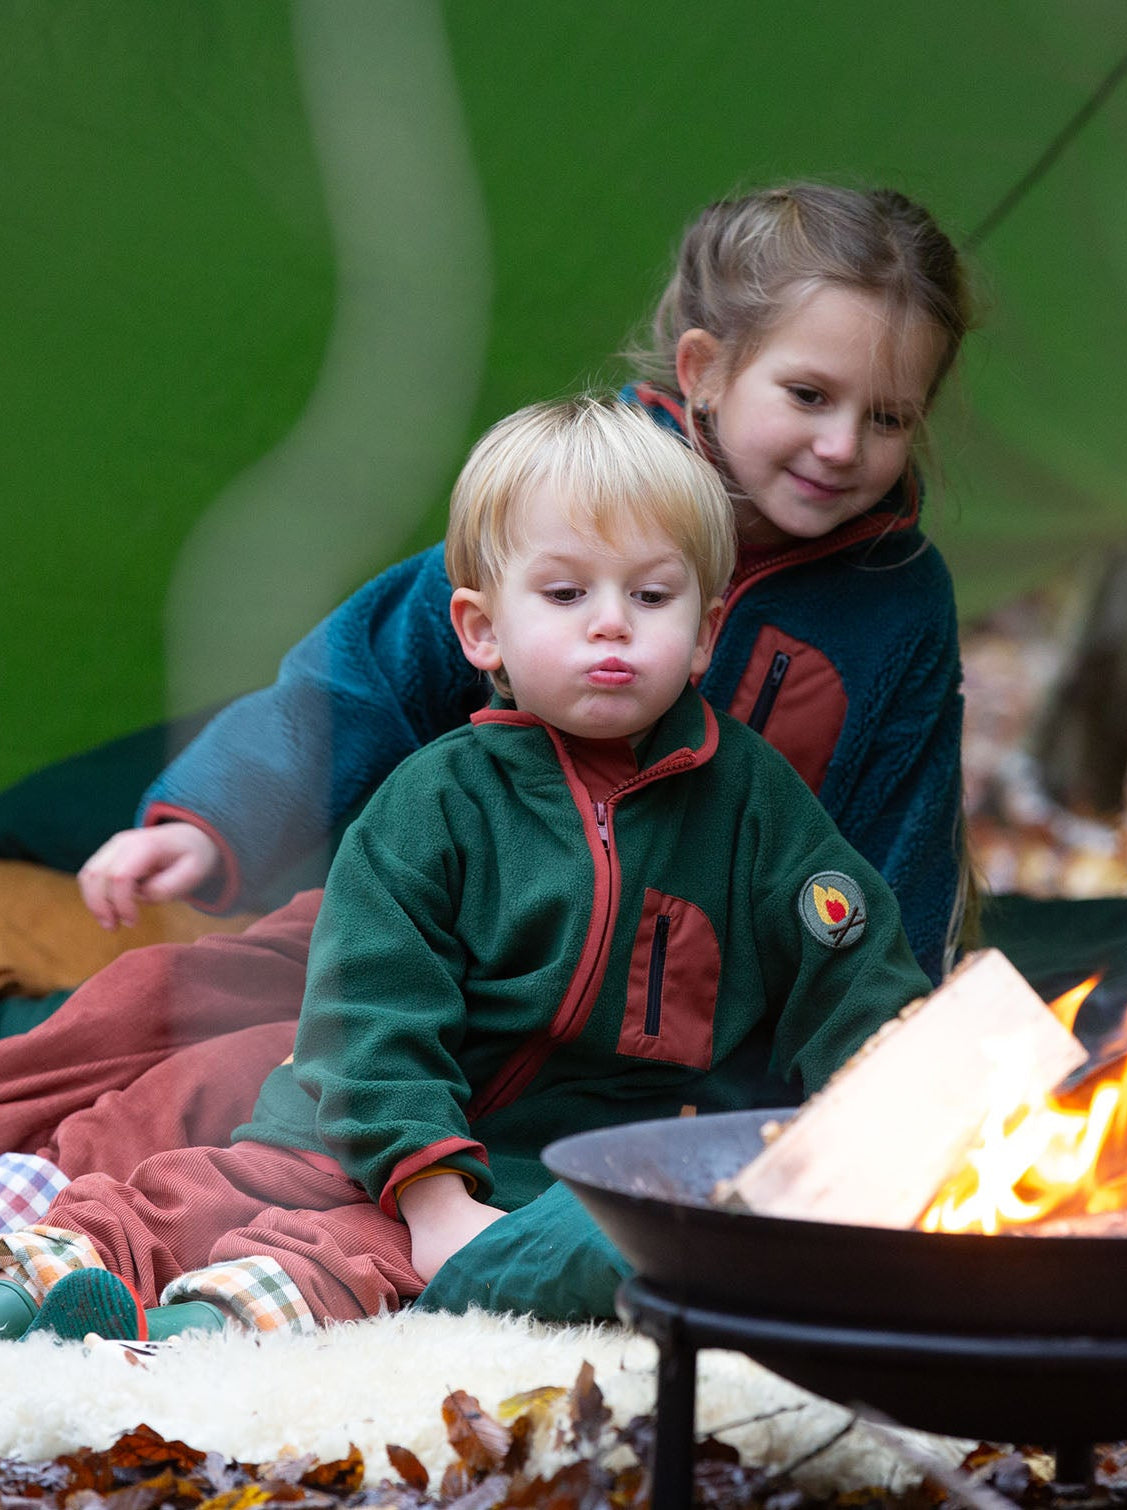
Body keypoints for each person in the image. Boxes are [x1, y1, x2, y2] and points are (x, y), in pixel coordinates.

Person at [0, 179, 972, 1223]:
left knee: (255, 1078)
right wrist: (215, 815)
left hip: (654, 1005)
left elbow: (888, 848)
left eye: (886, 418)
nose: (841, 446)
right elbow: (365, 673)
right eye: (809, 395)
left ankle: (76, 1204)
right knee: (154, 1003)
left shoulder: (892, 598)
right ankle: (30, 1152)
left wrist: (881, 1083)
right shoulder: (576, 490)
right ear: (706, 369)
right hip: (433, 918)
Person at [0, 397, 931, 1342]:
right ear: (482, 630)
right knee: (194, 1193)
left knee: (351, 1264)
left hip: (535, 1160)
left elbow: (851, 969)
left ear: (703, 632)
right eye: (566, 596)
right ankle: (37, 1285)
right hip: (347, 1128)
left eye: (651, 597)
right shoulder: (437, 799)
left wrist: (911, 1119)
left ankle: (192, 1333)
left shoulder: (754, 805)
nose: (612, 626)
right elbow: (372, 1011)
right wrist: (431, 1188)